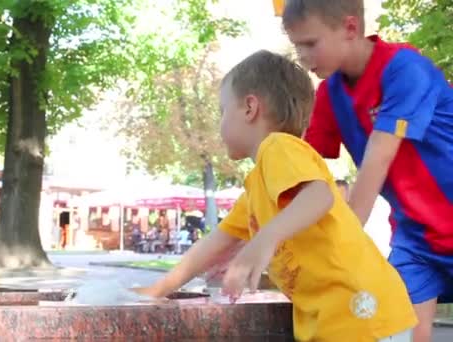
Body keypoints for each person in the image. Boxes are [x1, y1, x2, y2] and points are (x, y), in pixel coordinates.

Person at [135, 50, 416, 341]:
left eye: (222, 111)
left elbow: (320, 196)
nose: (219, 125)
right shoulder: (258, 187)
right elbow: (215, 244)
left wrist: (264, 240)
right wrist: (156, 291)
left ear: (249, 107)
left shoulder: (278, 147)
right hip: (341, 318)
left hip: (360, 311)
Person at [282, 1, 453, 340]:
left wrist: (344, 247)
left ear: (349, 28)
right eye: (296, 45)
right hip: (416, 242)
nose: (302, 56)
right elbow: (301, 167)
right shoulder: (329, 96)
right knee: (403, 332)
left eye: (310, 43)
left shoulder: (404, 69)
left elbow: (378, 158)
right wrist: (265, 231)